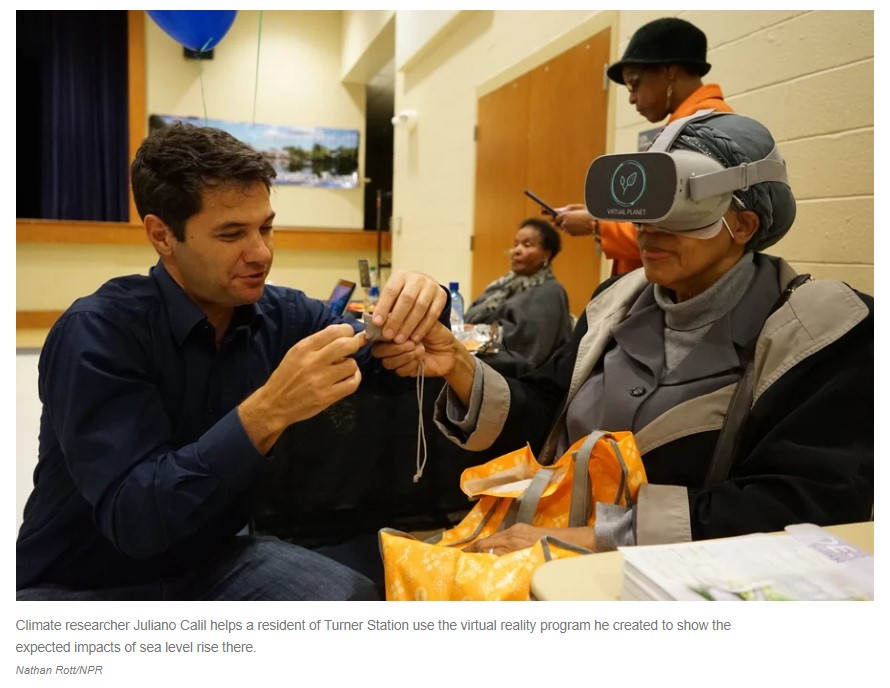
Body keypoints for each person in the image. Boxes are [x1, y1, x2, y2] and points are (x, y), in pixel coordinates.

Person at [373, 113, 873, 556]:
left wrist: (603, 539)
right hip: (540, 553)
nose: (648, 231)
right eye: (643, 213)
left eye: (679, 214)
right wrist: (457, 365)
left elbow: (806, 501)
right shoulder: (615, 301)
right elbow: (548, 415)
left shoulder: (820, 331)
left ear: (742, 225)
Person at [16, 122, 444, 601]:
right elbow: (136, 520)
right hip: (86, 581)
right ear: (161, 235)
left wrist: (418, 305)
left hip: (215, 560)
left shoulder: (282, 314)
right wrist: (268, 411)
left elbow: (376, 358)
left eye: (266, 227)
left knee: (360, 607)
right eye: (231, 233)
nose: (260, 252)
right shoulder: (98, 332)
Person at [554, 17, 734, 276]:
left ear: (669, 72)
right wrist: (600, 213)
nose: (630, 97)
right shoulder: (683, 126)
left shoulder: (702, 127)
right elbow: (658, 212)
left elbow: (676, 229)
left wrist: (596, 224)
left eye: (634, 83)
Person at [463, 217, 572, 372]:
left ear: (545, 255)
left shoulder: (550, 292)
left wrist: (479, 333)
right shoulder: (503, 286)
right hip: (485, 362)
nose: (517, 251)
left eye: (527, 245)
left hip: (521, 379)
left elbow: (529, 345)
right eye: (516, 245)